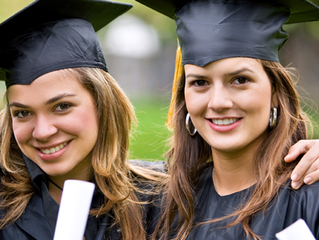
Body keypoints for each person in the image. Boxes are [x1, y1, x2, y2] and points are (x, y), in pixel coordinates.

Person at [135, 0, 319, 239]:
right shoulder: (159, 204)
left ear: (275, 93)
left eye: (240, 80)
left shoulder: (309, 197)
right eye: (200, 82)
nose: (218, 102)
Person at [0, 0, 161, 239]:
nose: (42, 132)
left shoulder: (160, 200)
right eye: (23, 113)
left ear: (103, 104)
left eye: (62, 106)